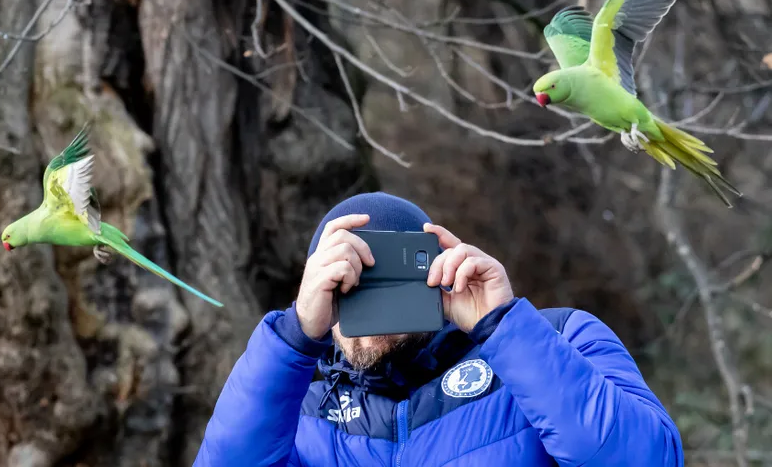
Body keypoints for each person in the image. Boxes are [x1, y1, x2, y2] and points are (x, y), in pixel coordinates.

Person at [193, 192, 683, 466]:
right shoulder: (296, 406)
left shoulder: (560, 338)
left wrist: (504, 327)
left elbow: (645, 461)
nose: (363, 322)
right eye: (344, 287)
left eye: (383, 280)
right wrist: (296, 336)